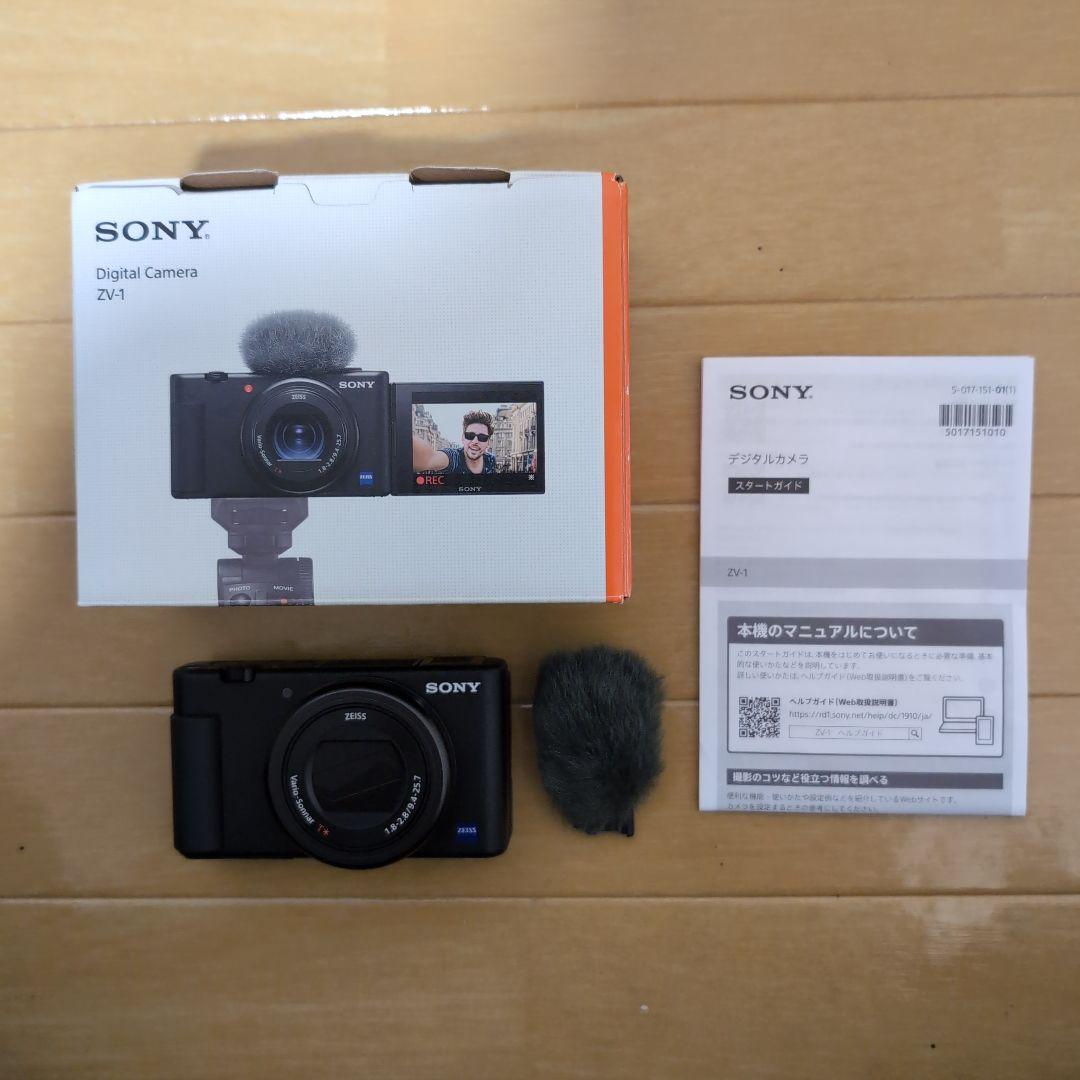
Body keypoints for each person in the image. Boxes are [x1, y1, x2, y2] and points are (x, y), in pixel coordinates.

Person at [412, 410, 498, 475]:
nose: (475, 441)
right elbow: (429, 459)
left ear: (488, 442)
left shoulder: (490, 459)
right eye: (470, 436)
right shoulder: (454, 457)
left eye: (482, 437)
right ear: (463, 438)